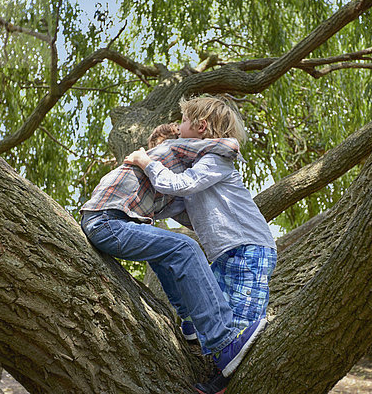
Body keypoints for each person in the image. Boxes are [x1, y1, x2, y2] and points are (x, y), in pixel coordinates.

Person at [80, 123, 267, 391]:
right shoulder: (170, 149)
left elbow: (193, 214)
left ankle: (189, 323)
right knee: (185, 249)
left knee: (166, 250)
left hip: (110, 223)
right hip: (107, 221)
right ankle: (223, 342)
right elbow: (227, 146)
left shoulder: (163, 191)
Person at [125, 96, 277, 394]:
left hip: (249, 249)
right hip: (225, 253)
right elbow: (180, 206)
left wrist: (146, 161)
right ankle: (199, 335)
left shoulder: (215, 160)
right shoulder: (199, 169)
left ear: (201, 126)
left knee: (240, 326)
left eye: (182, 122)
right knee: (217, 312)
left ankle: (223, 384)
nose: (179, 129)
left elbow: (180, 186)